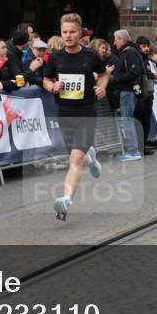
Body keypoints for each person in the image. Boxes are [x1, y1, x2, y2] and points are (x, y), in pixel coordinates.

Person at [43, 13, 109, 221]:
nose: (68, 36)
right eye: (65, 32)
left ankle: (66, 200)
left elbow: (104, 73)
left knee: (75, 158)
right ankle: (92, 157)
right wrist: (51, 86)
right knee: (76, 155)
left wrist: (101, 87)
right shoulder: (55, 57)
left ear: (80, 33)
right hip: (65, 113)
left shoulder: (90, 56)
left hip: (86, 112)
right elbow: (45, 79)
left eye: (72, 32)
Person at [111, 29, 145, 162]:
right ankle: (134, 150)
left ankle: (133, 151)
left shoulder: (130, 52)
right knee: (128, 120)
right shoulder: (128, 52)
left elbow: (135, 71)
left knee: (127, 120)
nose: (114, 43)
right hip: (128, 90)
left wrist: (118, 78)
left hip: (128, 90)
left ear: (122, 40)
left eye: (116, 39)